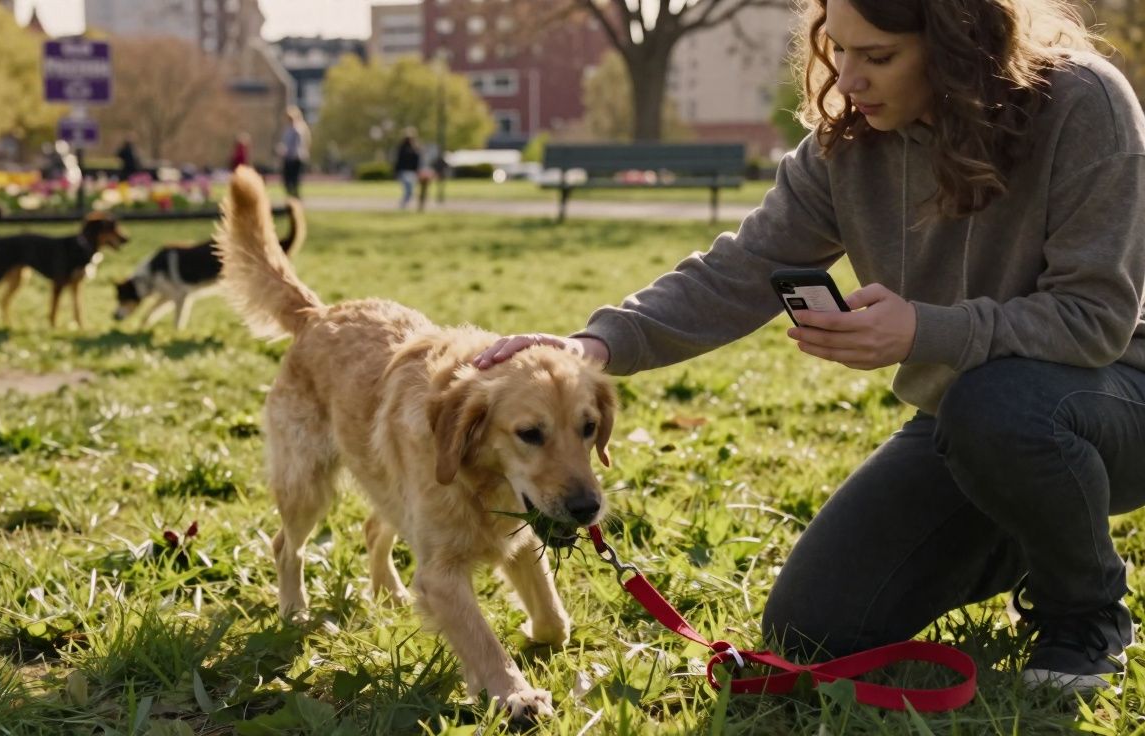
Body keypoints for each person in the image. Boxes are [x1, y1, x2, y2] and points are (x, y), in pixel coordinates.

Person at [474, 0, 1145, 693]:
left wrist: (923, 329)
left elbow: (1095, 317)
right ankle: (1036, 527)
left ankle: (1083, 614)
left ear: (958, 45)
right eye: (839, 50)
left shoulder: (1082, 102)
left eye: (877, 57)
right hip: (965, 424)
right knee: (811, 631)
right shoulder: (848, 145)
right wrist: (594, 345)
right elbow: (739, 270)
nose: (848, 79)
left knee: (994, 407)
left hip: (1114, 397)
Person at [278, 106, 310, 198]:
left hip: (295, 158)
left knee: (294, 181)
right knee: (287, 181)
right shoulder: (288, 129)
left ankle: (295, 199)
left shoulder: (298, 129)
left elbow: (297, 146)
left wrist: (287, 151)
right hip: (288, 158)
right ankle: (291, 198)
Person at [394, 129, 423, 210]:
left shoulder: (415, 148)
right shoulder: (402, 148)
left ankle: (403, 205)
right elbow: (399, 161)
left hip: (411, 172)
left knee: (410, 191)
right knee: (408, 190)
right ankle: (402, 205)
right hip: (404, 171)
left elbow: (417, 161)